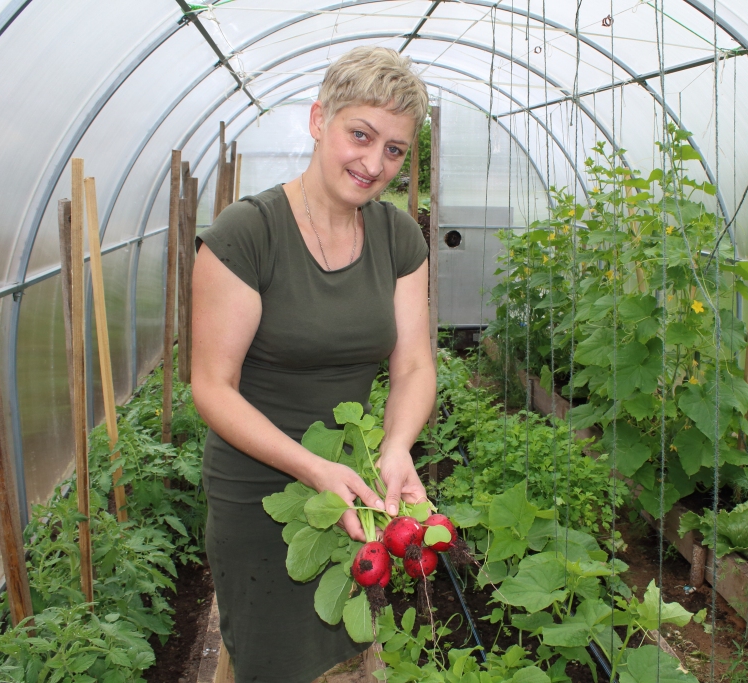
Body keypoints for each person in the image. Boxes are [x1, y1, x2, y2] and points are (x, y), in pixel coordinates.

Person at [190, 46, 435, 683]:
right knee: (267, 659)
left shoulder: (397, 237)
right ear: (317, 119)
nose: (374, 163)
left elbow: (412, 365)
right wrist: (309, 466)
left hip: (347, 480)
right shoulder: (248, 234)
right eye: (361, 135)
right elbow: (212, 388)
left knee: (342, 652)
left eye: (395, 150)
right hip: (257, 485)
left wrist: (396, 446)